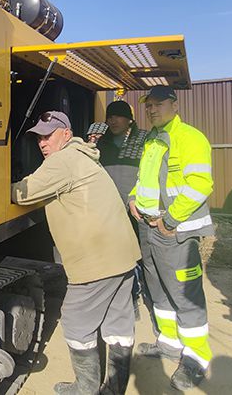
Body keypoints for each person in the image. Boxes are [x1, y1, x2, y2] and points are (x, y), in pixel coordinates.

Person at [12, 111, 140, 395]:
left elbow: (21, 193)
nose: (43, 143)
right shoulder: (83, 155)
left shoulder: (63, 160)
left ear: (67, 134)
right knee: (117, 322)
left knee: (75, 320)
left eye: (49, 135)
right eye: (39, 138)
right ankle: (114, 389)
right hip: (122, 255)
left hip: (97, 261)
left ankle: (86, 388)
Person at [127, 86, 214, 391]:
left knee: (185, 295)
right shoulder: (152, 139)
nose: (151, 110)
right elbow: (145, 178)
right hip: (149, 228)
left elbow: (200, 183)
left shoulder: (190, 137)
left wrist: (170, 219)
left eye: (158, 104)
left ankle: (196, 358)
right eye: (148, 105)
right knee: (158, 290)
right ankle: (169, 343)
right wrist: (134, 197)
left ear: (174, 106)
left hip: (175, 231)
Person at [87, 101, 151, 318]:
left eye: (118, 116)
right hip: (109, 210)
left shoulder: (143, 140)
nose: (113, 121)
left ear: (129, 120)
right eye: (110, 117)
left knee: (138, 254)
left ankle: (143, 293)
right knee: (115, 257)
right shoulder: (100, 143)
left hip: (135, 209)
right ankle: (126, 300)